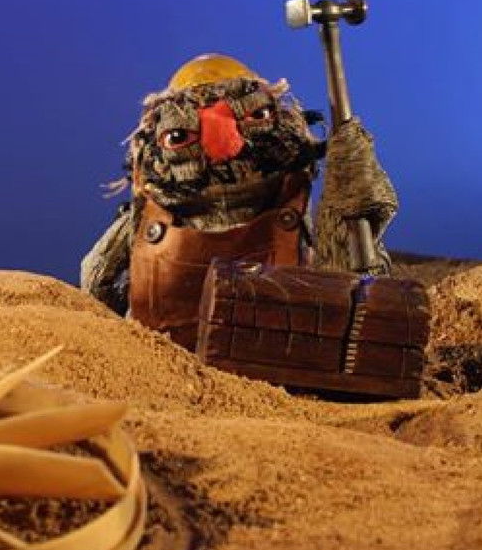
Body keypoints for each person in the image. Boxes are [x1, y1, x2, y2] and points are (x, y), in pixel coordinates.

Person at [81, 53, 397, 350]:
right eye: (181, 136)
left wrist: (352, 193)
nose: (224, 147)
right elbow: (96, 281)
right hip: (163, 370)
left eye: (255, 116)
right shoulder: (149, 216)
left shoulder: (288, 200)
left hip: (275, 364)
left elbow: (347, 284)